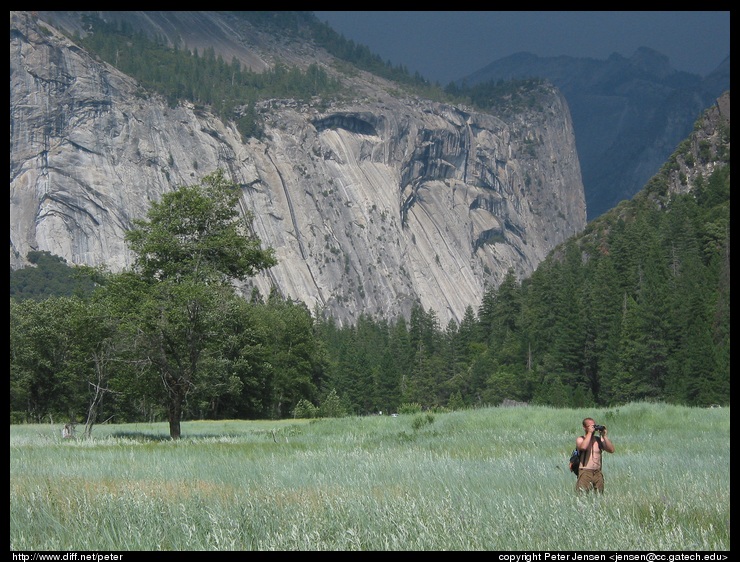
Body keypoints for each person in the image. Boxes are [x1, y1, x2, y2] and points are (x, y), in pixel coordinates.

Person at [575, 417, 615, 493]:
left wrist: (604, 436)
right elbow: (583, 447)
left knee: (599, 495)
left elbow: (611, 450)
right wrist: (590, 433)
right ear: (584, 427)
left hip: (597, 472)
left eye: (594, 426)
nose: (593, 428)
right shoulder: (581, 439)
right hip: (585, 471)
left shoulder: (598, 440)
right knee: (582, 495)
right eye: (591, 426)